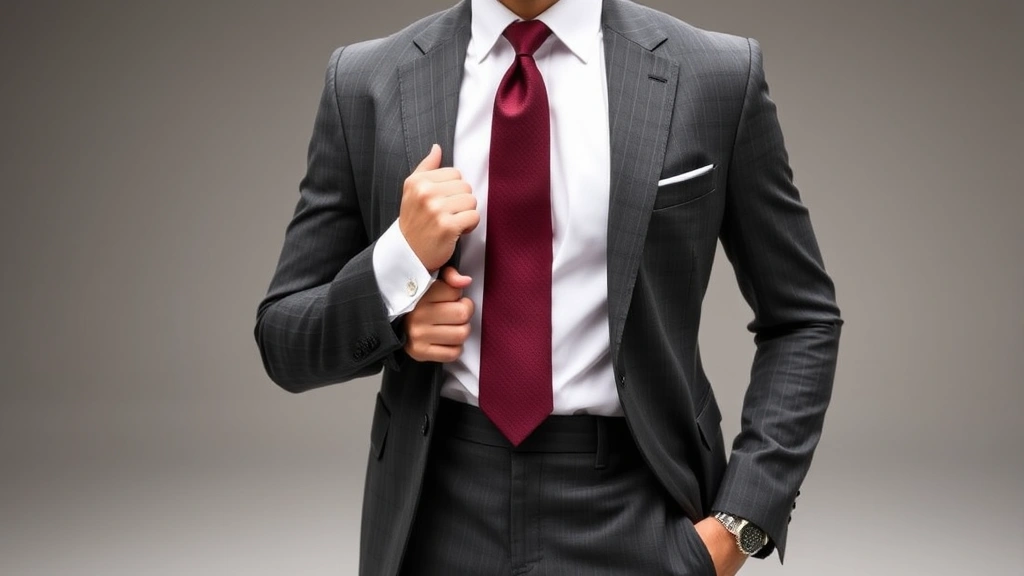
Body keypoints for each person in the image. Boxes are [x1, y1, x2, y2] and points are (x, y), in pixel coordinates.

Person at [254, 0, 842, 574]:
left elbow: (803, 317)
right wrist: (397, 269)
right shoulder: (365, 82)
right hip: (435, 512)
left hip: (640, 509)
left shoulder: (714, 75)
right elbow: (283, 340)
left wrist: (740, 523)